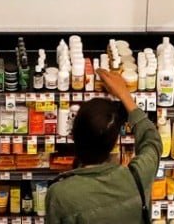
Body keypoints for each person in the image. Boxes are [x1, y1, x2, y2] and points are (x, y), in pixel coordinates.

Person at [46, 69, 162, 224]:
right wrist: (125, 95)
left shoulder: (60, 195)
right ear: (114, 143)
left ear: (73, 135)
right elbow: (152, 140)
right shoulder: (138, 176)